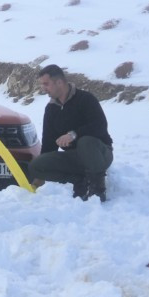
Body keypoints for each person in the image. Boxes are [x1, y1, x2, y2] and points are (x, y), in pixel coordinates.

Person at [28, 65, 114, 202]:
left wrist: (73, 135)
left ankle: (97, 187)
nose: (43, 88)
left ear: (59, 82)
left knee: (85, 142)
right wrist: (40, 173)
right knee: (36, 165)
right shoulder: (51, 109)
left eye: (46, 84)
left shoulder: (86, 99)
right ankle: (79, 179)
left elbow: (100, 126)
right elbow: (49, 145)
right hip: (75, 158)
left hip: (100, 153)